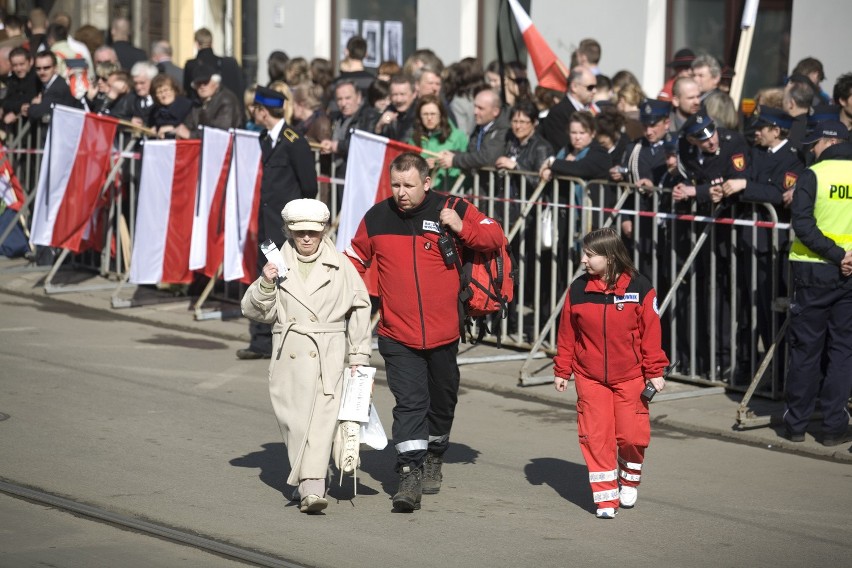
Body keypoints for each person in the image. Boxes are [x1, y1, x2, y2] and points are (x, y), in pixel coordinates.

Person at [344, 152, 504, 512]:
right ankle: (409, 474)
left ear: (427, 183)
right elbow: (356, 258)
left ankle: (435, 453)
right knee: (410, 403)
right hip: (397, 333)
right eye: (396, 185)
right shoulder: (377, 217)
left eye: (409, 185)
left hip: (445, 332)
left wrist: (463, 228)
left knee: (442, 400)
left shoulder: (452, 207)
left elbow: (495, 235)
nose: (401, 192)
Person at [240, 198, 372, 513]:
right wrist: (266, 284)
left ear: (324, 230)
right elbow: (254, 310)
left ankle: (312, 487)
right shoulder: (277, 263)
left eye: (313, 231)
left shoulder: (341, 265)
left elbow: (360, 308)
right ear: (288, 231)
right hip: (288, 355)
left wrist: (358, 357)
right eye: (300, 232)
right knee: (295, 424)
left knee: (321, 423)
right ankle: (306, 484)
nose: (307, 238)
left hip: (329, 355)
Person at [553, 227, 669, 519]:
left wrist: (655, 370)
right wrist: (562, 369)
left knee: (631, 436)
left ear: (610, 256)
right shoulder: (578, 289)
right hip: (589, 376)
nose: (583, 261)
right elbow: (567, 334)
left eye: (590, 256)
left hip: (630, 375)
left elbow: (651, 332)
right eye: (584, 254)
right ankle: (606, 498)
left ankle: (629, 478)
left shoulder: (640, 287)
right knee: (596, 436)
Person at [782, 119, 852, 446]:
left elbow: (803, 226)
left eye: (814, 144)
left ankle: (796, 424)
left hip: (815, 271)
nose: (811, 150)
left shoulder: (814, 174)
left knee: (806, 350)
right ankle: (834, 426)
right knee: (842, 351)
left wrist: (836, 254)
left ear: (827, 142)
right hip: (848, 272)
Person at [236, 87, 318, 360]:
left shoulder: (294, 141)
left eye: (255, 109)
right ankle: (261, 341)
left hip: (286, 227)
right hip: (265, 222)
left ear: (262, 111)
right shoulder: (263, 138)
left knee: (289, 282)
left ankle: (287, 339)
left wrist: (298, 223)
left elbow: (309, 185)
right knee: (267, 279)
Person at [436, 87, 509, 175]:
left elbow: (487, 158)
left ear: (495, 111)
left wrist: (455, 160)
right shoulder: (479, 127)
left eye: (480, 108)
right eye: (475, 106)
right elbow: (472, 153)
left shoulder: (503, 130)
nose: (475, 111)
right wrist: (452, 154)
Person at [410, 94, 468, 190]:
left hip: (451, 193)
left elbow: (467, 163)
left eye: (433, 114)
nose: (429, 118)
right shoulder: (415, 138)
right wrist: (423, 166)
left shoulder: (458, 136)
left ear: (441, 115)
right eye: (425, 114)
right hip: (424, 194)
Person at [539, 66, 599, 151]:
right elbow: (562, 147)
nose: (594, 91)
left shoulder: (594, 109)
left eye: (596, 87)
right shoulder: (558, 113)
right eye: (590, 87)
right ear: (574, 87)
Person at [175, 64, 243, 138]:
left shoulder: (226, 100)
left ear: (216, 83)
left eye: (205, 82)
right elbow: (188, 124)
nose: (202, 86)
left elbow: (221, 132)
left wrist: (191, 135)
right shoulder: (197, 103)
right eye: (198, 83)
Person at [183, 28, 244, 102]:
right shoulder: (227, 63)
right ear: (212, 43)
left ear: (197, 44)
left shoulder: (191, 65)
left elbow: (187, 93)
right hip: (224, 105)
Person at [147, 73, 192, 137]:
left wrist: (173, 129)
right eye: (159, 92)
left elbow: (191, 128)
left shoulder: (187, 106)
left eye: (166, 90)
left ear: (174, 90)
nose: (163, 95)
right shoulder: (154, 111)